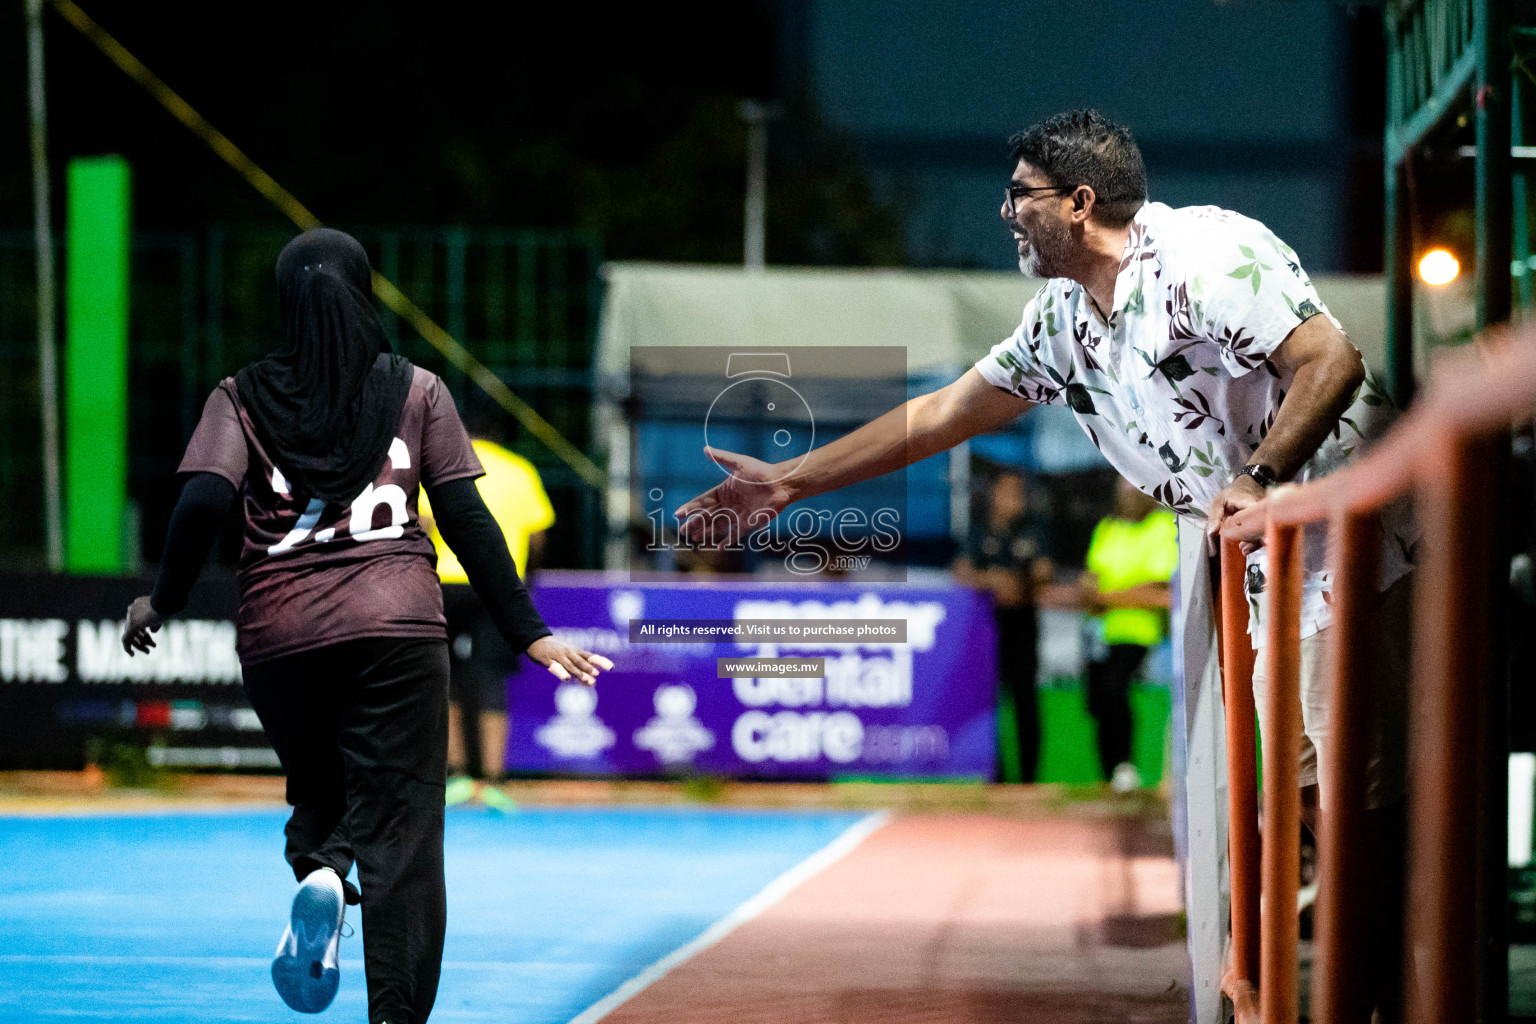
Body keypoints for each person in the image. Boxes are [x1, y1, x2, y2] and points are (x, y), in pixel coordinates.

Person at [675, 110, 1413, 1022]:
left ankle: (1390, 990)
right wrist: (790, 482)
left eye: (1020, 196)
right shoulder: (1065, 317)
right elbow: (947, 411)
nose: (1005, 213)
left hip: (1342, 533)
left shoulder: (1207, 257)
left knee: (1350, 800)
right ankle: (1361, 980)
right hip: (1263, 559)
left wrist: (1260, 481)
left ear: (1079, 200)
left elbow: (1330, 357)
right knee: (1310, 796)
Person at [119, 229, 611, 1024]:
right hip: (397, 630)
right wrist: (529, 632)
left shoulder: (237, 396)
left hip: (280, 636)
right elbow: (466, 519)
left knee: (322, 787)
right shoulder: (416, 390)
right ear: (365, 293)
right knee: (404, 833)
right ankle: (391, 1013)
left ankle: (320, 868)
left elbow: (202, 503)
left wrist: (163, 602)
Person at [418, 416, 556, 809]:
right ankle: (494, 781)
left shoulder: (441, 466)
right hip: (497, 585)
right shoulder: (520, 470)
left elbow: (423, 524)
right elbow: (538, 534)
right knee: (491, 679)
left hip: (442, 582)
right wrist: (521, 580)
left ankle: (457, 776)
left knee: (442, 676)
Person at [952, 471, 1053, 782]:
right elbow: (962, 570)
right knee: (987, 702)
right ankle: (994, 774)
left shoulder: (1032, 532)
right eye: (1008, 493)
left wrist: (1022, 582)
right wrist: (991, 581)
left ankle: (1029, 779)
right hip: (987, 632)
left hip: (1023, 627)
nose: (1015, 501)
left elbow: (1044, 570)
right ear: (993, 497)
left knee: (1026, 701)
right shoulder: (979, 533)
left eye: (1019, 494)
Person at [1079, 477, 1177, 793]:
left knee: (1115, 688)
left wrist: (1107, 596)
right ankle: (1108, 773)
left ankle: (1125, 765)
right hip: (1099, 632)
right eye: (1123, 490)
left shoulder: (1163, 527)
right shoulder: (1108, 528)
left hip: (1142, 631)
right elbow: (1091, 581)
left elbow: (1159, 586)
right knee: (1097, 699)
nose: (1129, 497)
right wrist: (1105, 593)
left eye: (1135, 489)